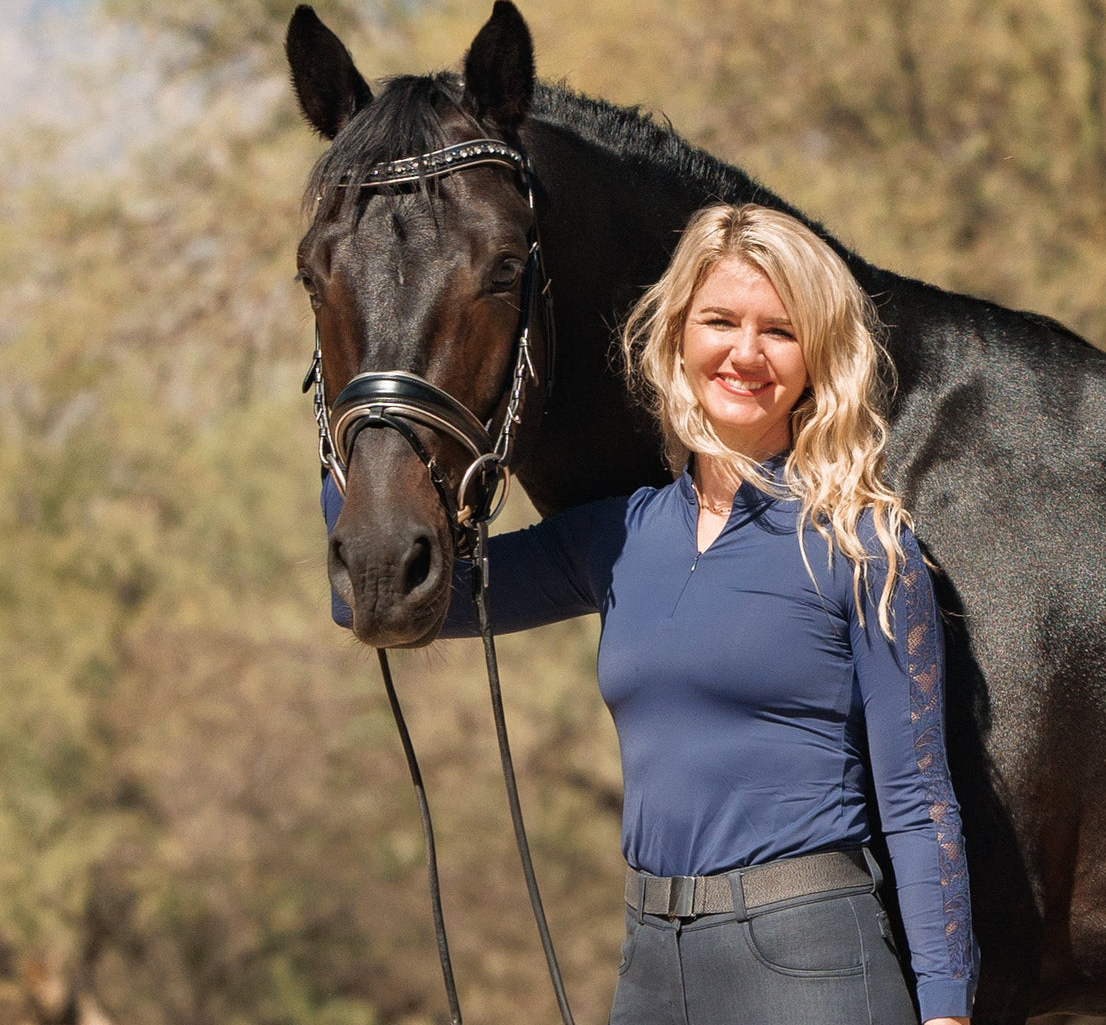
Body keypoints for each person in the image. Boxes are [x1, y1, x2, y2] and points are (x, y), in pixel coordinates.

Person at [323, 203, 979, 1024]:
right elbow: (373, 598)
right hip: (650, 964)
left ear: (817, 357)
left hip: (809, 957)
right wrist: (358, 413)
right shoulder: (619, 536)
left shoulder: (861, 544)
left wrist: (948, 1007)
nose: (746, 352)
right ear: (677, 338)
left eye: (780, 330)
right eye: (720, 321)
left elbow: (920, 801)